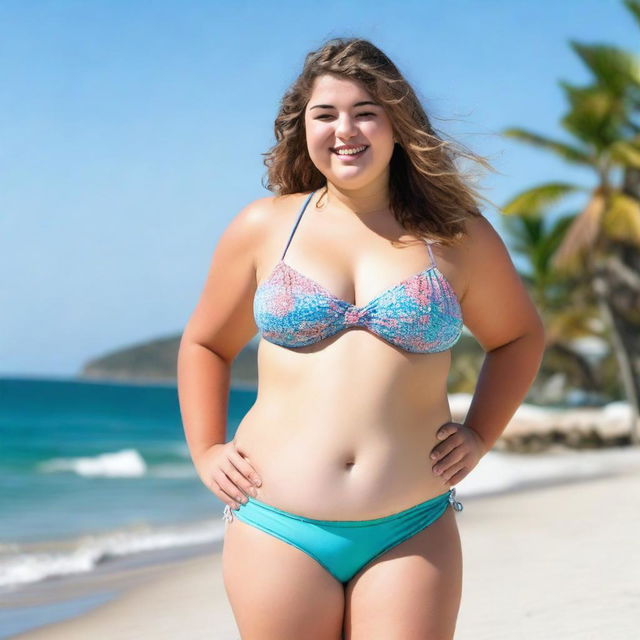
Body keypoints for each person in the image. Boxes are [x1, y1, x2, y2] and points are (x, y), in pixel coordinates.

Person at [177, 37, 546, 640]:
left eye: (365, 112)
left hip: (411, 526)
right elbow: (205, 345)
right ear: (303, 129)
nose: (345, 130)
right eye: (325, 114)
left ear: (397, 125)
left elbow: (520, 337)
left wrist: (480, 433)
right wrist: (207, 450)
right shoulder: (263, 228)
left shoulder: (457, 238)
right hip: (277, 524)